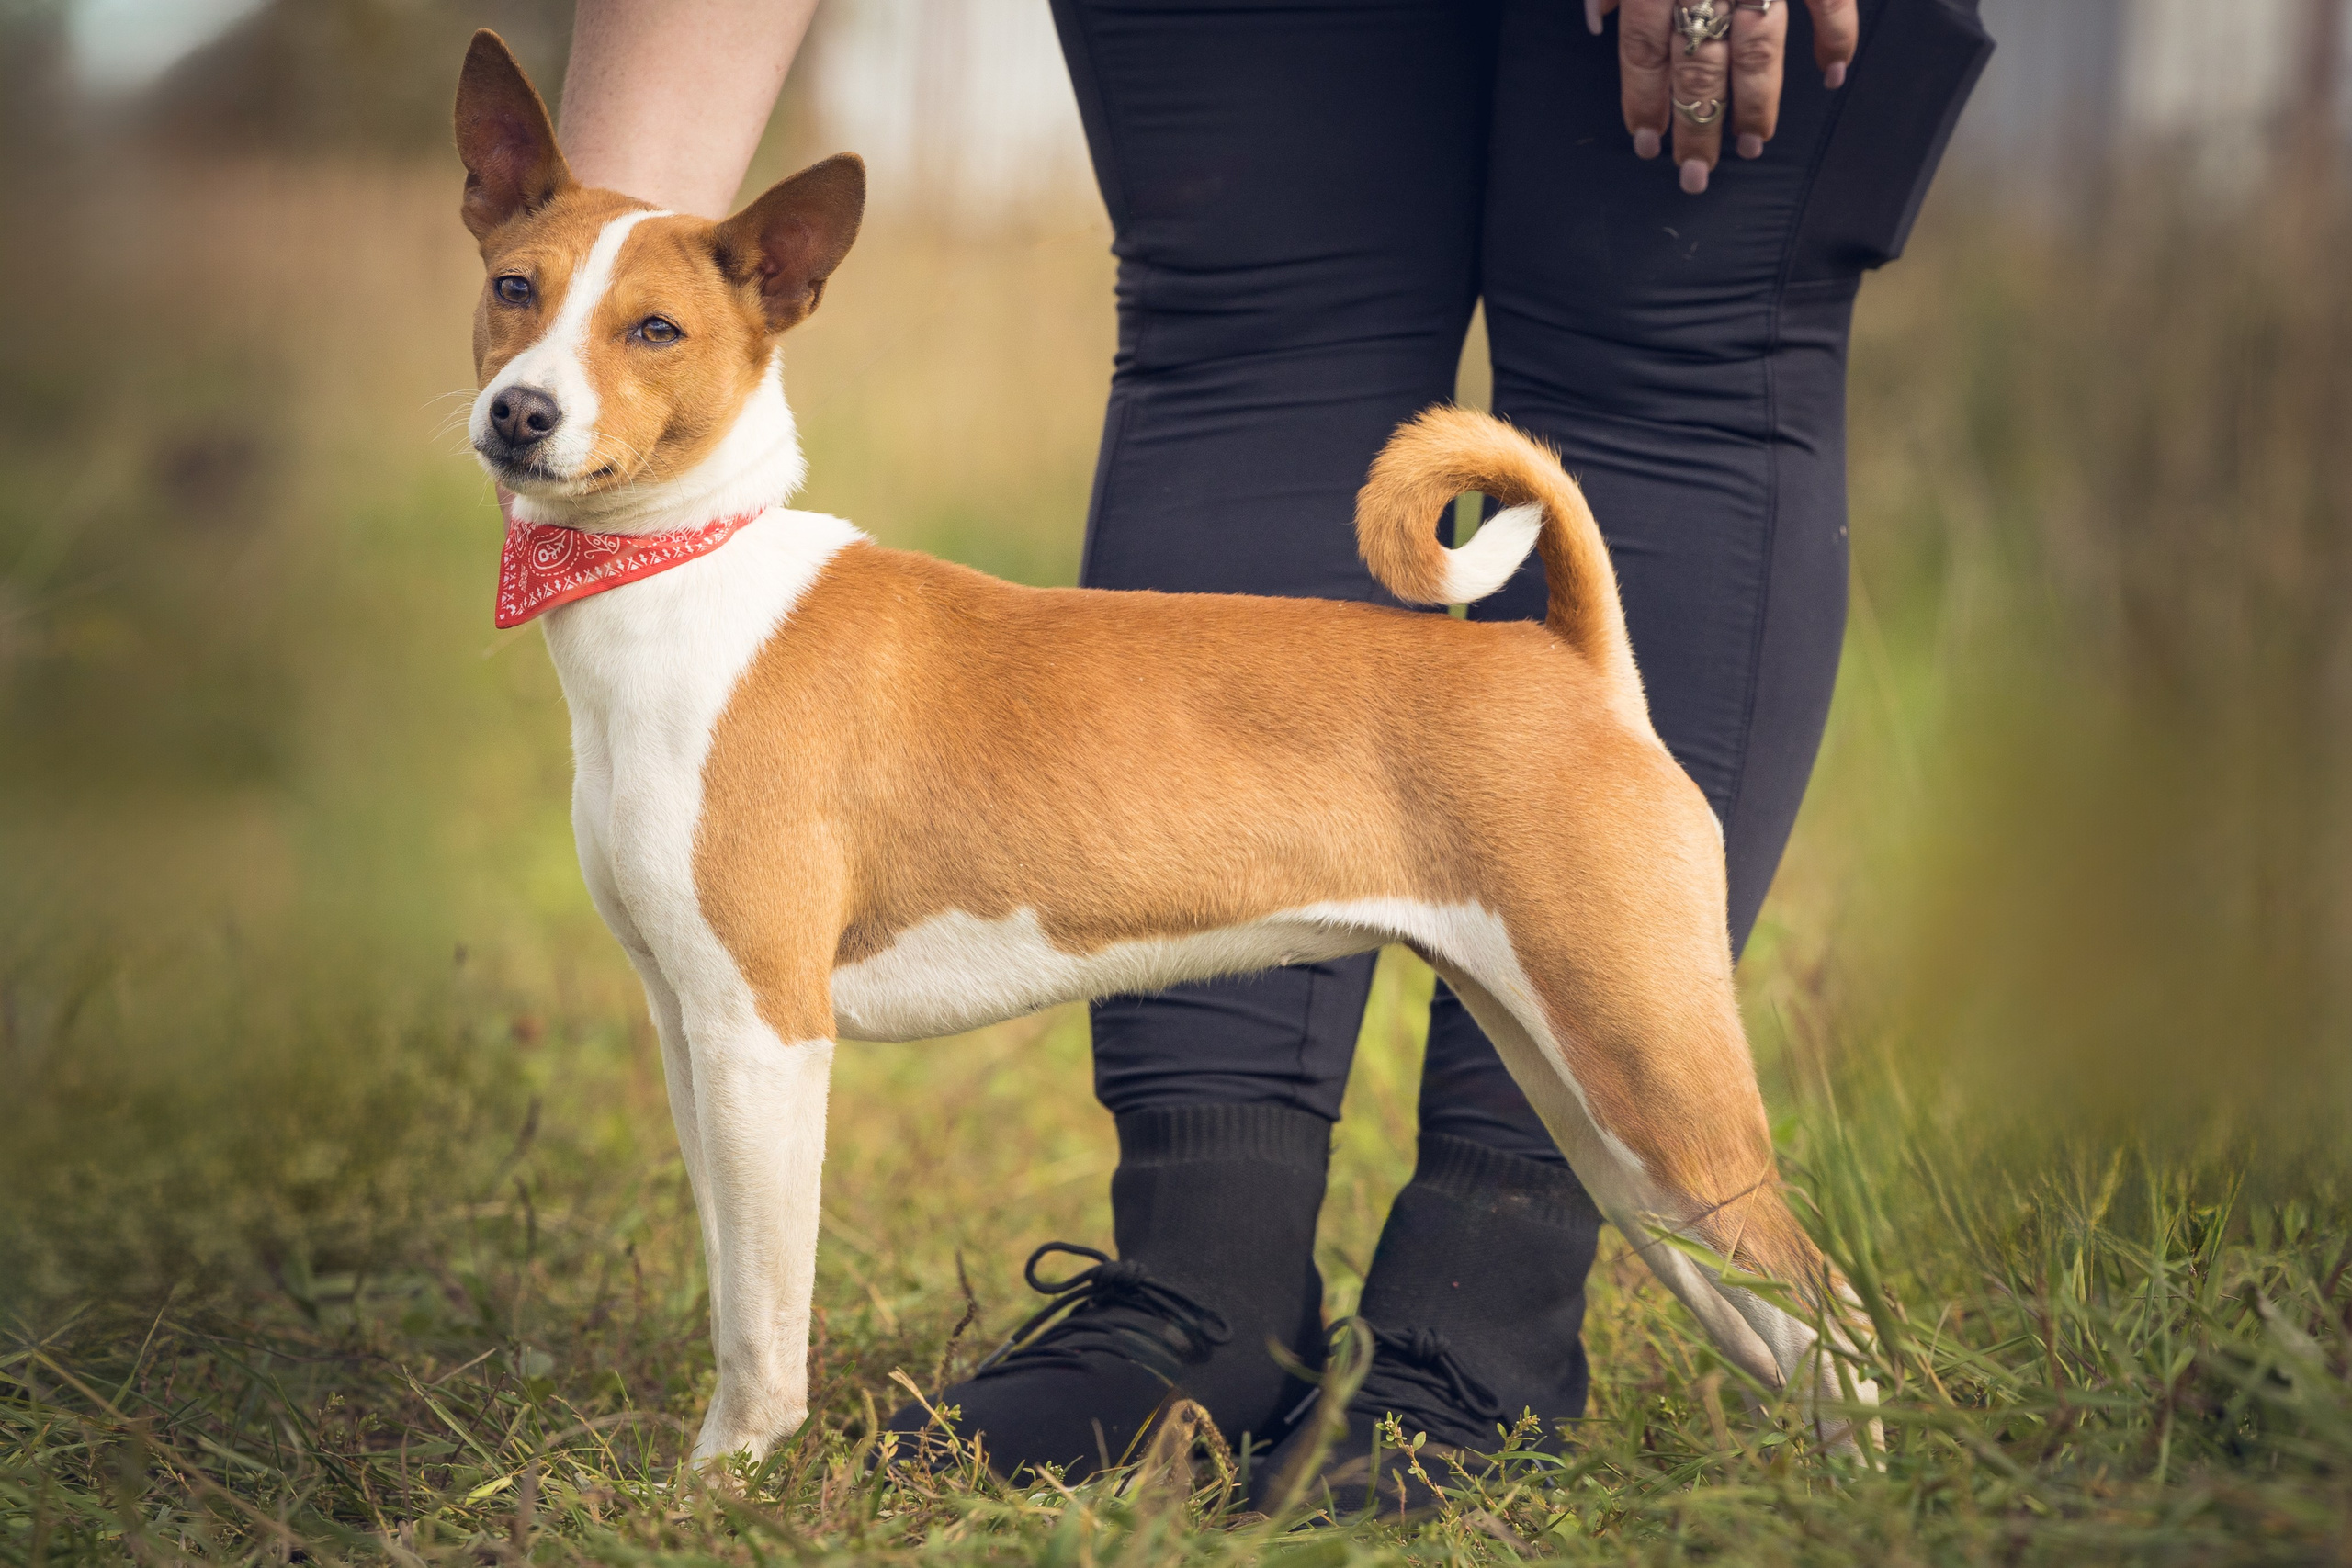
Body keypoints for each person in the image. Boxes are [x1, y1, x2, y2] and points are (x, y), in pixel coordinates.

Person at [559, 0, 1990, 1512]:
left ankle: (1614, 1376)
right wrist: (602, 249)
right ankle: (1202, 1303)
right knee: (1254, 308)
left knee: (1671, 336)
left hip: (1512, 742)